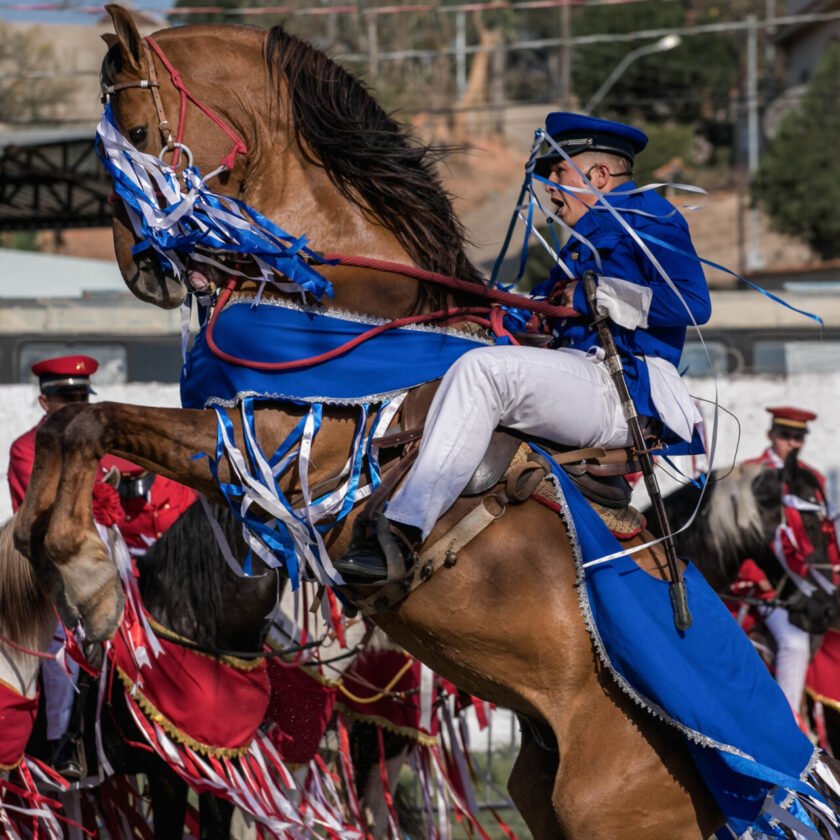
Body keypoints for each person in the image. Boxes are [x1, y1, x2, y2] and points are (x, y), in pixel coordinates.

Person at [335, 112, 711, 582]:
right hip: (579, 376)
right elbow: (539, 305)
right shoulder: (578, 242)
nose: (550, 188)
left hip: (621, 388)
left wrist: (599, 296)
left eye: (558, 173)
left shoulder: (649, 213)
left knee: (484, 373)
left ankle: (403, 532)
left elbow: (694, 303)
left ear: (598, 176)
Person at [6, 355, 196, 778]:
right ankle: (63, 741)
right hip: (60, 570)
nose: (75, 406)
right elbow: (42, 517)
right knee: (66, 649)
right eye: (64, 398)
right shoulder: (27, 448)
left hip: (119, 563)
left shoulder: (107, 446)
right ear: (44, 403)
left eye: (81, 396)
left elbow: (142, 500)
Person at [737, 406, 840, 718]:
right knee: (794, 642)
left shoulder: (813, 477)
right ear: (772, 435)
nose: (793, 443)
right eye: (786, 436)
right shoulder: (750, 472)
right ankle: (786, 723)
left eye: (799, 437)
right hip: (767, 584)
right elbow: (739, 537)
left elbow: (822, 534)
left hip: (808, 583)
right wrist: (758, 579)